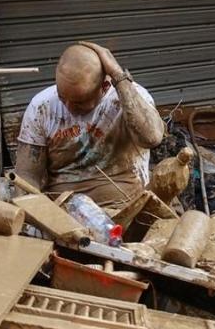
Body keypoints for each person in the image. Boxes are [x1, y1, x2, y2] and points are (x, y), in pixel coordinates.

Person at [12, 41, 163, 209]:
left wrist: (118, 76)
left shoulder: (130, 98)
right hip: (64, 214)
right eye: (62, 96)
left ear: (104, 87)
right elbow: (27, 175)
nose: (68, 107)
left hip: (125, 210)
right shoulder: (41, 106)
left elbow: (152, 138)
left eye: (78, 102)